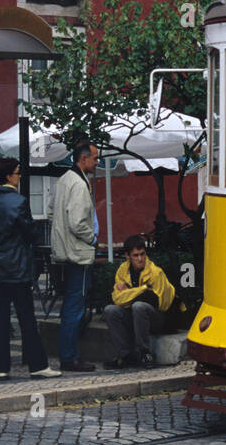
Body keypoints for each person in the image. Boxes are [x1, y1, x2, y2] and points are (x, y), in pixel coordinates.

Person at [0, 158, 59, 380]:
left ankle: (2, 367)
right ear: (9, 176)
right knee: (26, 318)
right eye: (18, 172)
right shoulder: (18, 201)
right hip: (16, 267)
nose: (20, 176)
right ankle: (37, 365)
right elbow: (30, 232)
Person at [50, 140, 99, 372]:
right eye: (95, 158)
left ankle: (68, 354)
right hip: (78, 253)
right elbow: (77, 223)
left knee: (70, 304)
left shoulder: (63, 180)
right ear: (83, 158)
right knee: (74, 306)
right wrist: (92, 239)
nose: (97, 162)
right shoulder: (79, 184)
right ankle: (69, 357)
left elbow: (52, 211)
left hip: (64, 251)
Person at [103, 235, 174, 370]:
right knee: (110, 310)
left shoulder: (155, 272)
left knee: (139, 306)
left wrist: (129, 293)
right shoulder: (122, 271)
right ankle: (125, 355)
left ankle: (144, 353)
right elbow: (117, 299)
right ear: (127, 256)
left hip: (157, 318)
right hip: (135, 316)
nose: (140, 259)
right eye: (135, 255)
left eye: (142, 254)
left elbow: (159, 303)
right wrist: (142, 289)